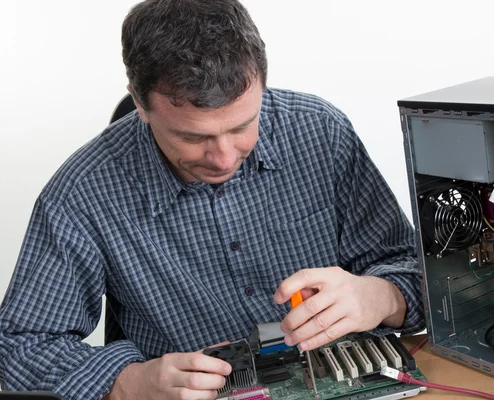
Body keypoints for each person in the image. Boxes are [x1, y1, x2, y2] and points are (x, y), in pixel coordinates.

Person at [0, 0, 424, 399]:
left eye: (243, 125)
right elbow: (18, 349)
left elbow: (417, 267)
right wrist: (130, 380)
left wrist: (383, 296)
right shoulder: (83, 194)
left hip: (352, 379)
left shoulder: (320, 132)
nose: (223, 158)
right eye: (192, 136)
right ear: (140, 104)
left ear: (261, 80)